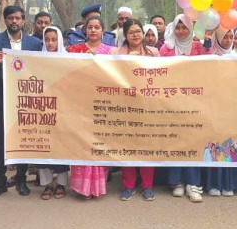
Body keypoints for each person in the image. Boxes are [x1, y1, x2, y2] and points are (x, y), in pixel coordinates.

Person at [0, 6, 43, 200]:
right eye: (10, 18)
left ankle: (21, 178)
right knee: (0, 141)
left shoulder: (34, 43)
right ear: (5, 20)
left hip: (25, 99)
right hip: (2, 99)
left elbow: (41, 69)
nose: (14, 21)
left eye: (17, 18)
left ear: (23, 20)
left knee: (23, 139)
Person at [159, 14, 210, 202]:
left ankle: (193, 184)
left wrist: (208, 44)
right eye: (178, 28)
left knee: (193, 141)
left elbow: (209, 67)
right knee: (175, 140)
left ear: (190, 29)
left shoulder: (198, 47)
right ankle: (177, 182)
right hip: (172, 101)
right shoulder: (166, 49)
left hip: (195, 101)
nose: (181, 31)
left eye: (184, 28)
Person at [111, 19, 159, 201]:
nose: (135, 35)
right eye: (131, 32)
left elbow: (162, 77)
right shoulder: (115, 53)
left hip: (148, 106)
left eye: (138, 31)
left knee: (147, 146)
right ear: (125, 34)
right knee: (127, 146)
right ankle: (129, 185)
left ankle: (147, 185)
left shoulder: (153, 53)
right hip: (124, 105)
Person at [66, 16, 112, 199]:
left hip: (102, 102)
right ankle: (82, 187)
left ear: (103, 31)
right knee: (82, 142)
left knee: (99, 142)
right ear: (84, 30)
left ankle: (97, 186)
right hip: (80, 102)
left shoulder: (110, 52)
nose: (93, 30)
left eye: (97, 27)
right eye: (90, 27)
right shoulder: (74, 50)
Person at [205, 27, 237, 197]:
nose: (228, 40)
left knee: (230, 144)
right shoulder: (210, 57)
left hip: (232, 106)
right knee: (215, 143)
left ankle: (227, 183)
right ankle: (214, 183)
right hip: (213, 105)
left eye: (230, 37)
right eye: (224, 37)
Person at [37, 26, 70, 200]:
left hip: (63, 109)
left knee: (61, 147)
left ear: (60, 41)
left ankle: (61, 183)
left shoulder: (68, 59)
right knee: (43, 146)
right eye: (47, 39)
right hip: (42, 109)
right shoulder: (36, 59)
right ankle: (48, 184)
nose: (50, 43)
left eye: (54, 40)